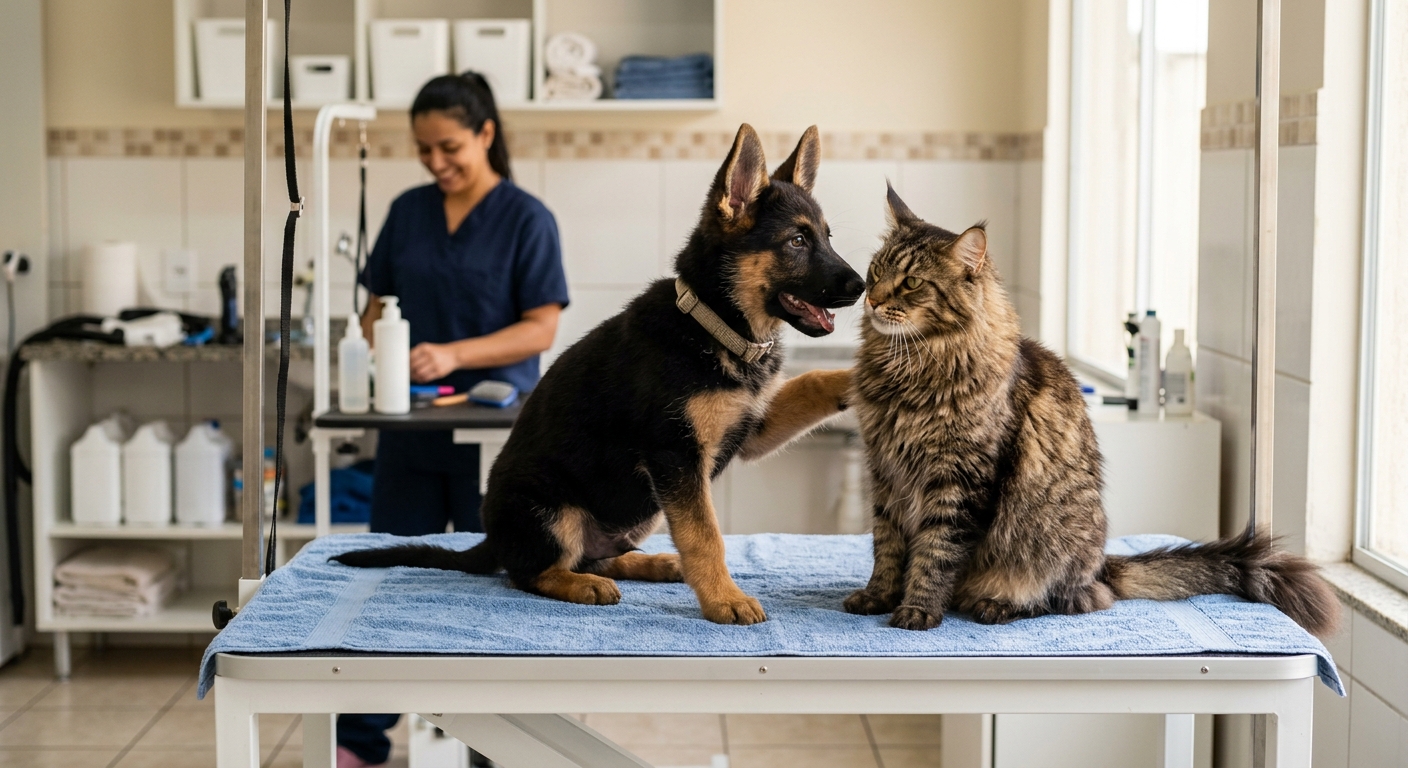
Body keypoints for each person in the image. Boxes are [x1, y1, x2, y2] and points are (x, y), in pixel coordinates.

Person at [336, 71, 569, 768]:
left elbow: (541, 328)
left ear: (486, 134)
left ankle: (494, 749)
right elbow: (377, 306)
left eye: (449, 147)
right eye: (423, 150)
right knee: (390, 580)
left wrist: (454, 354)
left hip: (498, 442)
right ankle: (361, 742)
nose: (436, 162)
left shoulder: (528, 219)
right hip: (410, 433)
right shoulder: (408, 212)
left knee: (499, 593)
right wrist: (376, 344)